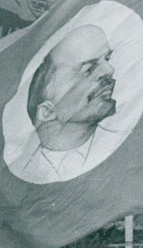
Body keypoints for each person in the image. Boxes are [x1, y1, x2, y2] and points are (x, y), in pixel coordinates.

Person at [11, 25, 117, 183]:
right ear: (47, 111)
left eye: (107, 59)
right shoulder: (30, 176)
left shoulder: (128, 141)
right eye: (88, 69)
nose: (109, 70)